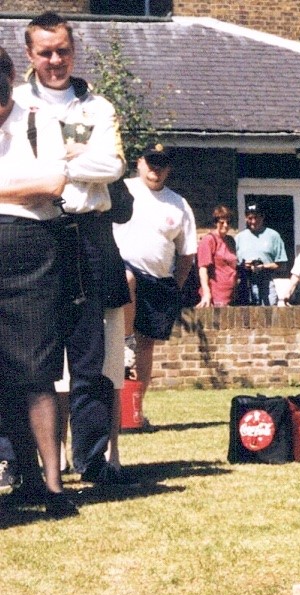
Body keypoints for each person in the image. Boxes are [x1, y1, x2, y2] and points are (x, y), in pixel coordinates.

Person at [15, 11, 133, 487]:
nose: (55, 60)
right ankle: (23, 464)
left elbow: (114, 165)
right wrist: (77, 156)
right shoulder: (16, 103)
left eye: (62, 50)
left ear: (73, 49)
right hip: (35, 234)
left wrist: (61, 161)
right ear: (29, 54)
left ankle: (92, 459)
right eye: (45, 52)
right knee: (28, 357)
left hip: (88, 236)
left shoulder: (98, 107)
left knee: (90, 357)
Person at [0, 43, 76, 516]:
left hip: (31, 249)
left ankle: (52, 485)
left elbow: (52, 183)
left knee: (35, 368)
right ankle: (21, 472)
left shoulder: (38, 120)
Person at [114, 144, 197, 413]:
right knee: (127, 279)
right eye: (151, 162)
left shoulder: (178, 203)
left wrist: (177, 286)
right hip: (123, 270)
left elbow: (186, 253)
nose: (155, 169)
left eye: (161, 164)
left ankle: (136, 409)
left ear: (168, 169)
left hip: (159, 280)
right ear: (139, 163)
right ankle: (126, 341)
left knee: (146, 346)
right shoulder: (122, 190)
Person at [236, 201, 286, 306]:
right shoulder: (239, 238)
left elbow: (282, 265)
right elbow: (232, 264)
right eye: (250, 218)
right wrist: (243, 265)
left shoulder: (273, 236)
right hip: (246, 283)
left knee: (270, 317)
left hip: (267, 283)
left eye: (257, 217)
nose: (253, 221)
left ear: (262, 217)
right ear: (245, 218)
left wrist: (264, 266)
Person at [196, 204, 237, 307]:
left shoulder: (231, 241)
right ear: (215, 222)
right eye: (222, 222)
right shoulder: (208, 240)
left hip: (231, 295)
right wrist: (206, 294)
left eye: (228, 222)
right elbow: (203, 269)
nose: (226, 225)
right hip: (216, 295)